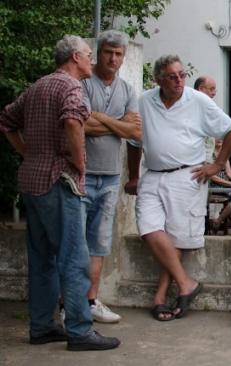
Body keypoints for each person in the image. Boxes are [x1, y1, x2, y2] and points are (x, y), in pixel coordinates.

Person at [0, 35, 120, 351]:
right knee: (74, 258)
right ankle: (80, 330)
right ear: (75, 57)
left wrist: (27, 152)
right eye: (88, 55)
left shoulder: (38, 86)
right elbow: (71, 120)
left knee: (42, 258)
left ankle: (42, 327)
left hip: (31, 181)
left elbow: (6, 120)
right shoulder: (71, 87)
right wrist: (79, 162)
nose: (92, 61)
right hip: (59, 180)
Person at [127, 55, 231, 321]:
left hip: (187, 176)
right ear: (158, 79)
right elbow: (134, 142)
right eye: (171, 76)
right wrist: (133, 176)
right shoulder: (145, 101)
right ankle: (187, 284)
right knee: (149, 228)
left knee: (175, 238)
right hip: (152, 175)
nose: (178, 81)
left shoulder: (197, 100)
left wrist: (216, 165)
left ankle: (160, 296)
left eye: (181, 75)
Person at [78, 29, 142, 323]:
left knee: (99, 242)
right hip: (80, 173)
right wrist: (118, 123)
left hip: (111, 176)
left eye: (118, 54)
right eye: (108, 52)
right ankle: (70, 303)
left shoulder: (127, 89)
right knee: (75, 241)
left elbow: (135, 132)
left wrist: (99, 118)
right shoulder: (82, 82)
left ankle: (90, 300)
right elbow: (79, 125)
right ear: (98, 52)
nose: (113, 59)